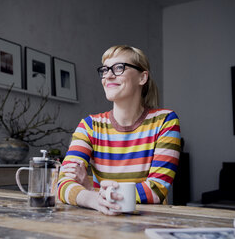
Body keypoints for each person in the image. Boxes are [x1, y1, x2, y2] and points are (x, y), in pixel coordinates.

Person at [57, 45, 181, 215]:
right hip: (100, 223)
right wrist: (92, 199)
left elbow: (156, 189)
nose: (108, 75)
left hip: (149, 223)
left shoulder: (165, 121)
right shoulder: (89, 125)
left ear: (142, 77)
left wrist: (94, 190)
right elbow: (62, 183)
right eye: (105, 70)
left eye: (118, 68)